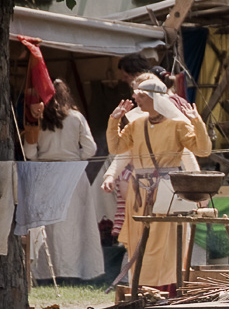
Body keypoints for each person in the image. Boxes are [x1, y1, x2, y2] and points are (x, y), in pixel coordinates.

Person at [102, 77, 212, 295]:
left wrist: (197, 123)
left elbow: (202, 150)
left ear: (155, 98)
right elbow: (117, 148)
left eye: (141, 96)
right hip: (139, 195)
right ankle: (141, 292)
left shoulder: (178, 125)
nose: (136, 100)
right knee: (139, 243)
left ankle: (166, 292)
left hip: (166, 194)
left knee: (165, 245)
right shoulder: (136, 125)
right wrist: (114, 121)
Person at [23, 79, 104, 281]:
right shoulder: (76, 117)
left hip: (45, 172)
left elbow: (30, 153)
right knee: (74, 223)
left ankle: (46, 271)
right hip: (73, 173)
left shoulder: (37, 120)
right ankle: (74, 271)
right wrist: (73, 156)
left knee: (48, 223)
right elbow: (90, 149)